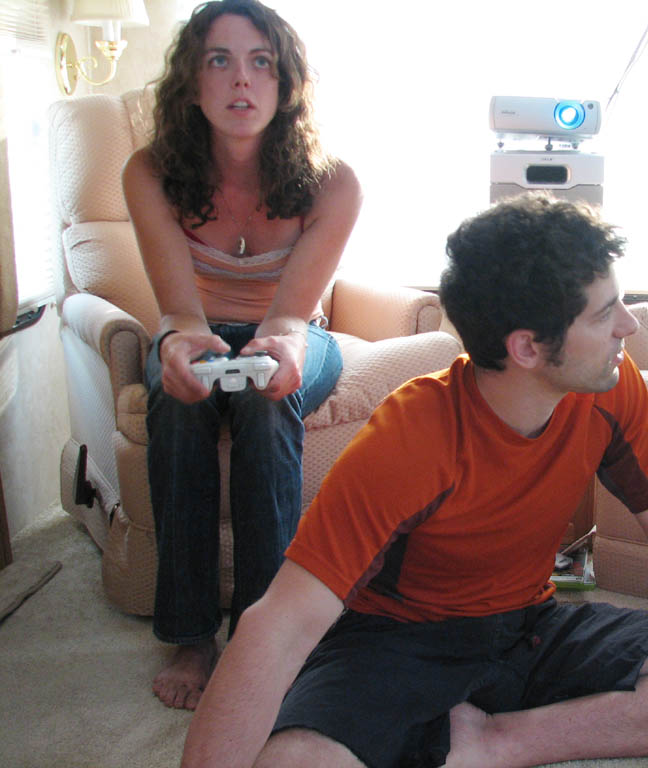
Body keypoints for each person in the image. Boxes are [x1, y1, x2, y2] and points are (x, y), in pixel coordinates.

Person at [179, 195, 648, 768]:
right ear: (527, 349)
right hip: (400, 642)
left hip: (530, 624)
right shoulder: (411, 437)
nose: (629, 325)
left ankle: (497, 743)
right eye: (603, 315)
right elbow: (281, 625)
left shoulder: (612, 387)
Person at [122, 0, 361, 711]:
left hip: (291, 332)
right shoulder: (150, 172)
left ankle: (266, 628)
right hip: (197, 324)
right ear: (191, 83)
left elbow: (291, 316)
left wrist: (280, 348)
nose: (241, 81)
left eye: (261, 62)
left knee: (267, 395)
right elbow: (178, 312)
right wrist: (180, 345)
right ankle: (191, 635)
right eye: (219, 60)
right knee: (175, 397)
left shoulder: (334, 182)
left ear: (287, 83)